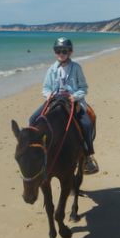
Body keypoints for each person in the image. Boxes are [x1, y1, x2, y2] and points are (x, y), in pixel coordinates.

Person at [29, 37, 99, 174]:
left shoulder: (76, 68)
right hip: (54, 100)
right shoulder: (51, 69)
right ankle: (35, 152)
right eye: (58, 51)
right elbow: (46, 87)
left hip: (72, 100)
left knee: (87, 124)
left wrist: (75, 96)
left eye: (64, 51)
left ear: (70, 52)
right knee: (33, 120)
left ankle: (87, 155)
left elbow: (83, 88)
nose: (61, 53)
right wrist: (48, 95)